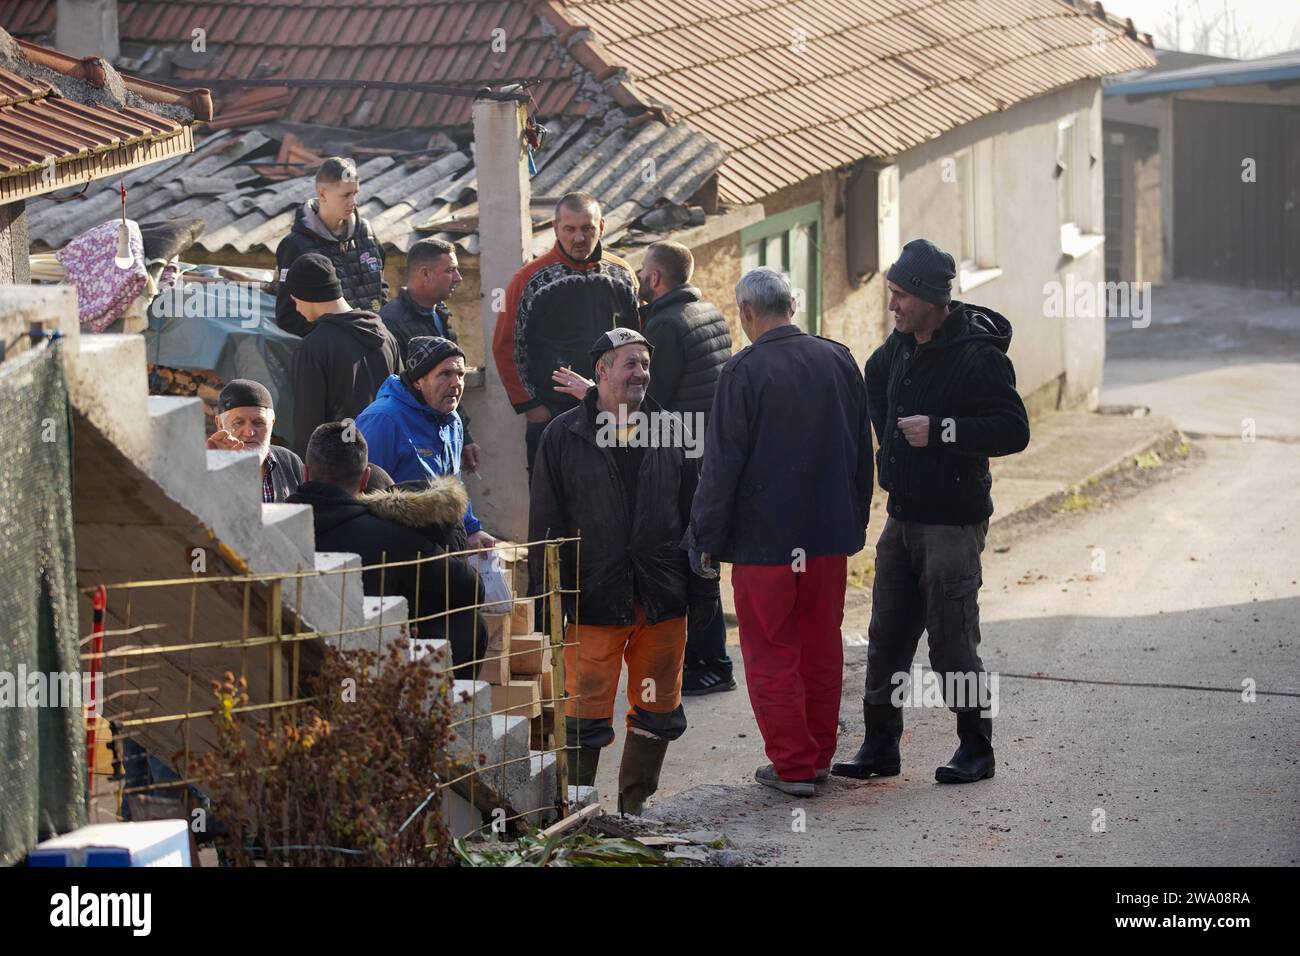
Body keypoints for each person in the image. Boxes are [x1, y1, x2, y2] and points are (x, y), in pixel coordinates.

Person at [832, 239, 1029, 786]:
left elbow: (1015, 430)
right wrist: (889, 453)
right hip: (902, 518)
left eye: (899, 295)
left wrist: (942, 432)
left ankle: (975, 747)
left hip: (953, 522)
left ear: (929, 297)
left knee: (952, 640)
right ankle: (879, 746)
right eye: (891, 293)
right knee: (886, 636)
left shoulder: (978, 355)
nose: (891, 304)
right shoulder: (894, 350)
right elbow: (875, 389)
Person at [685, 267, 874, 798]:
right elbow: (862, 451)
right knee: (820, 645)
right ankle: (815, 759)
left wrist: (704, 540)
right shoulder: (839, 359)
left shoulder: (742, 371)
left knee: (771, 650)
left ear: (746, 313)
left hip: (765, 546)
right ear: (792, 304)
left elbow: (720, 467)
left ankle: (793, 765)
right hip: (826, 540)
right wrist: (854, 522)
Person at [528, 328, 716, 815]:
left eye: (646, 364)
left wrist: (703, 589)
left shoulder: (673, 430)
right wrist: (545, 601)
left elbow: (696, 516)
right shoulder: (562, 435)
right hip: (593, 596)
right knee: (581, 715)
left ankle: (634, 811)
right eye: (630, 363)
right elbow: (545, 525)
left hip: (661, 596)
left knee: (657, 711)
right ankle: (579, 812)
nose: (641, 374)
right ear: (602, 370)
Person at [287, 422, 486, 678]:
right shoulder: (391, 536)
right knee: (469, 624)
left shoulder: (272, 527)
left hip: (285, 668)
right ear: (366, 478)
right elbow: (471, 591)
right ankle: (445, 716)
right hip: (369, 672)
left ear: (304, 473)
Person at [637, 241, 734, 696]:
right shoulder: (709, 310)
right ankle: (712, 658)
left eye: (642, 273)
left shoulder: (666, 324)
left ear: (656, 278)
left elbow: (653, 400)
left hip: (682, 458)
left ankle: (708, 661)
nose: (638, 281)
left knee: (691, 562)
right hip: (710, 450)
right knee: (704, 557)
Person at [491, 192, 639, 478]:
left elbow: (638, 338)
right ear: (555, 228)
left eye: (588, 228)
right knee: (552, 500)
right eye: (570, 229)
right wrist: (531, 406)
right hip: (552, 412)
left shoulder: (621, 274)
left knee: (613, 493)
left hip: (612, 410)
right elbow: (506, 345)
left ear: (602, 227)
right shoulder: (528, 279)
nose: (579, 238)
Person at [354, 336, 495, 552]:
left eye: (460, 374)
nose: (456, 383)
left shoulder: (452, 418)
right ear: (419, 381)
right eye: (445, 374)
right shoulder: (383, 420)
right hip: (396, 548)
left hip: (440, 543)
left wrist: (471, 528)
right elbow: (363, 493)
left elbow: (453, 484)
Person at [379, 237, 480, 474]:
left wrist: (464, 437)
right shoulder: (392, 322)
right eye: (450, 270)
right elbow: (398, 386)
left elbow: (450, 383)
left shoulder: (441, 314)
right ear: (425, 273)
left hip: (443, 434)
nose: (458, 278)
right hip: (413, 440)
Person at [286, 253, 400, 456]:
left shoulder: (313, 348)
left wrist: (305, 475)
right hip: (387, 459)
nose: (296, 308)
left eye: (295, 300)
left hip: (338, 467)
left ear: (307, 295)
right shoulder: (386, 336)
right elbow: (401, 400)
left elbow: (308, 424)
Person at [275, 156, 388, 337]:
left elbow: (379, 287)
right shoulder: (296, 246)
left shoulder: (366, 233)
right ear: (322, 194)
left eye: (355, 193)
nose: (353, 202)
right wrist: (334, 340)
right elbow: (288, 316)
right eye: (345, 195)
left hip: (375, 342)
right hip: (333, 355)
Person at [205, 379, 303, 503]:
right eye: (238, 423)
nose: (249, 432)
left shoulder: (290, 463)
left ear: (272, 422)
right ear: (219, 424)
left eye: (259, 423)